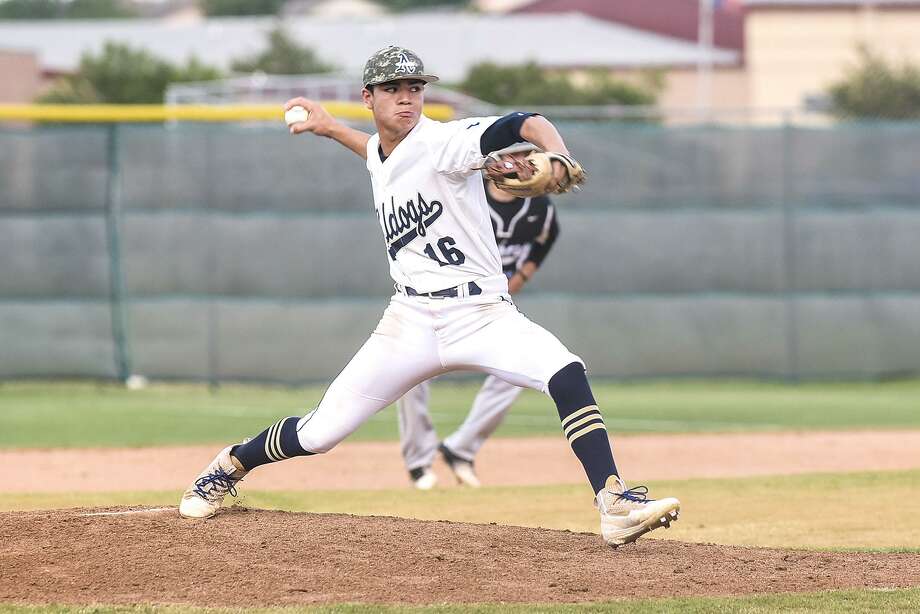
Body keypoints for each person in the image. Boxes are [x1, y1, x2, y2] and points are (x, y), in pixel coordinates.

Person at [178, 45, 680, 546]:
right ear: (369, 96)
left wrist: (559, 154)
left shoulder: (447, 142)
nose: (407, 98)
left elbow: (528, 122)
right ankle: (230, 463)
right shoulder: (380, 150)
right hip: (410, 319)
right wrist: (330, 128)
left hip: (480, 312)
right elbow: (377, 155)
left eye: (415, 88)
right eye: (393, 89)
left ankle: (613, 501)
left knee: (566, 371)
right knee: (318, 434)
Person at [398, 177, 559, 490]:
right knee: (408, 374)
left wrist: (522, 276)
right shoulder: (464, 193)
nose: (521, 161)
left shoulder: (538, 205)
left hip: (492, 310)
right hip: (444, 304)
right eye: (513, 153)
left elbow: (548, 236)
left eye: (526, 153)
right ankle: (419, 463)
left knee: (518, 370)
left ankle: (460, 448)